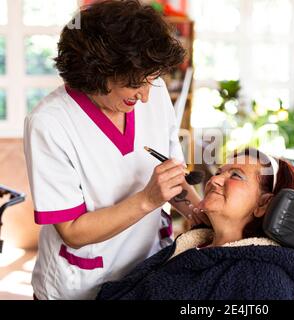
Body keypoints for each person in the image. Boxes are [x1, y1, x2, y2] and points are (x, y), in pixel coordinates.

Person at [23, 0, 208, 300]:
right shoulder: (49, 123)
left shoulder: (154, 89)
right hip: (83, 285)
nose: (147, 95)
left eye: (152, 79)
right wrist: (148, 199)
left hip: (147, 275)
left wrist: (200, 213)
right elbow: (72, 231)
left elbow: (173, 178)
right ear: (96, 73)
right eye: (135, 84)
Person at [96, 148, 294, 300]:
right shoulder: (192, 247)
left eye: (235, 175)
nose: (213, 180)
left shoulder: (264, 280)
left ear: (264, 204)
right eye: (219, 172)